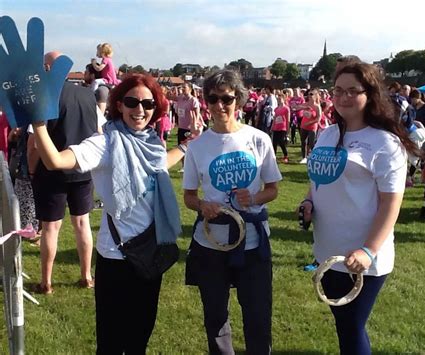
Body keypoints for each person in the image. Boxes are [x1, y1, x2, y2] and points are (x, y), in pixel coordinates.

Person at [32, 73, 186, 353]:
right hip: (117, 256)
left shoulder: (152, 142)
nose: (140, 110)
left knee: (140, 337)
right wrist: (39, 124)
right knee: (112, 341)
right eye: (132, 102)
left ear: (156, 108)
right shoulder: (105, 144)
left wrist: (186, 146)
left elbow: (161, 164)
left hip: (150, 252)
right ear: (119, 105)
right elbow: (55, 161)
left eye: (148, 104)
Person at [298, 62, 418, 354]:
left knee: (351, 326)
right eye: (338, 90)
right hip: (328, 251)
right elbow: (318, 178)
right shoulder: (327, 134)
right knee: (344, 325)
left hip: (363, 258)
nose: (344, 97)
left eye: (353, 91)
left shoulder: (384, 143)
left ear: (370, 94)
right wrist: (308, 201)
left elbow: (391, 204)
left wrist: (368, 250)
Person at [183, 69, 281, 354]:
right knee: (215, 317)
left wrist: (254, 197)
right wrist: (203, 205)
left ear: (238, 100)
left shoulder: (258, 139)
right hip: (211, 243)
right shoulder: (198, 147)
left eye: (226, 98)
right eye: (212, 99)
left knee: (258, 316)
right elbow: (189, 196)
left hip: (252, 243)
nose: (219, 106)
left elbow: (273, 189)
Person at [30, 51, 99, 294]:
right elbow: (98, 129)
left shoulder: (44, 96)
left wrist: (30, 169)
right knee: (83, 224)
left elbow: (36, 141)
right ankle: (86, 276)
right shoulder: (87, 93)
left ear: (48, 69)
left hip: (54, 168)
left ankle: (46, 282)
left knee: (51, 228)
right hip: (82, 166)